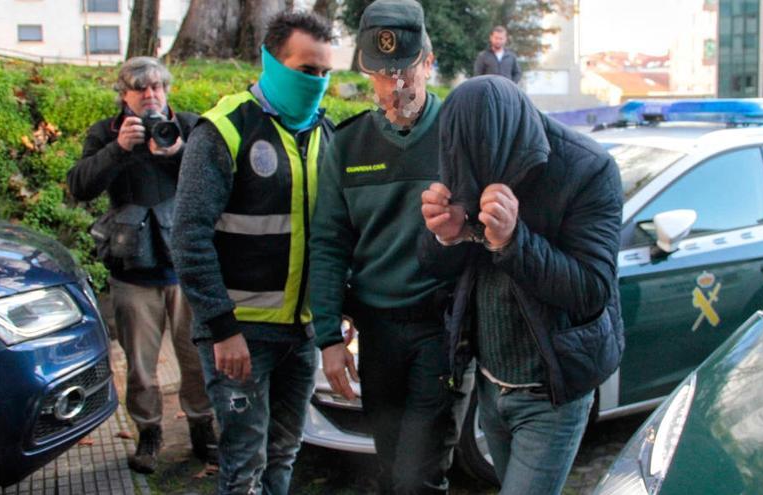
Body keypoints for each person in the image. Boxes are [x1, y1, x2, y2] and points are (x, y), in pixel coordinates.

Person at [418, 76, 624, 494]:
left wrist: (514, 240)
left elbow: (592, 288)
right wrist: (445, 235)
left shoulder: (589, 168)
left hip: (552, 392)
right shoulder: (464, 144)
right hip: (491, 382)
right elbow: (434, 266)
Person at [309, 1, 470, 493]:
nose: (395, 86)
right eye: (381, 74)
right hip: (376, 331)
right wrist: (329, 338)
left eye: (404, 70)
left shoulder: (460, 135)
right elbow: (329, 242)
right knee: (387, 465)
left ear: (428, 60)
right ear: (365, 72)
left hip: (438, 329)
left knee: (417, 474)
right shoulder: (348, 145)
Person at [170, 11, 334, 495]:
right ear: (272, 61)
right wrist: (223, 330)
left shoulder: (326, 135)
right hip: (239, 336)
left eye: (326, 73)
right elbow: (189, 238)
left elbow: (331, 236)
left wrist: (330, 313)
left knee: (285, 454)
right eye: (308, 71)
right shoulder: (223, 130)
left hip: (300, 335)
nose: (318, 83)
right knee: (244, 466)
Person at [67, 57, 216, 474]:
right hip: (132, 269)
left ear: (166, 91)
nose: (150, 96)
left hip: (186, 266)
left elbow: (218, 181)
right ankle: (149, 433)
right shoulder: (107, 133)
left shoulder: (188, 125)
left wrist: (179, 152)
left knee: (197, 356)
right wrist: (119, 149)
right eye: (140, 89)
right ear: (124, 95)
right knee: (141, 365)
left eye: (157, 88)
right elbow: (79, 186)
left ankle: (203, 428)